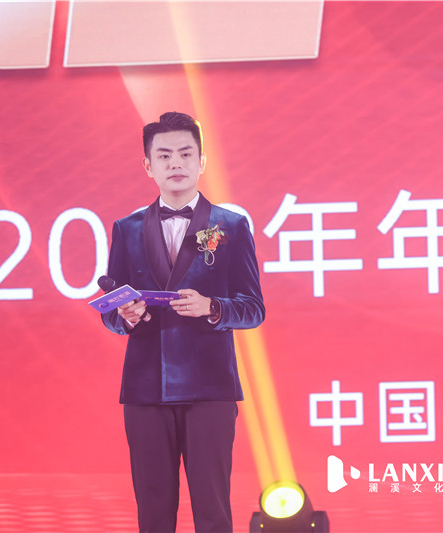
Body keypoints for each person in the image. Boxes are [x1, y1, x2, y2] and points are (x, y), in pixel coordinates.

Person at [100, 111, 265, 533]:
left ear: (202, 161)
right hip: (145, 389)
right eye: (164, 155)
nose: (176, 163)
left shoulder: (231, 226)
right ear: (148, 166)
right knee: (153, 512)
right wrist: (125, 317)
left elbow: (253, 308)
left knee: (213, 510)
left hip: (210, 387)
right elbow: (112, 313)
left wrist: (212, 307)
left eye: (186, 154)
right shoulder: (126, 228)